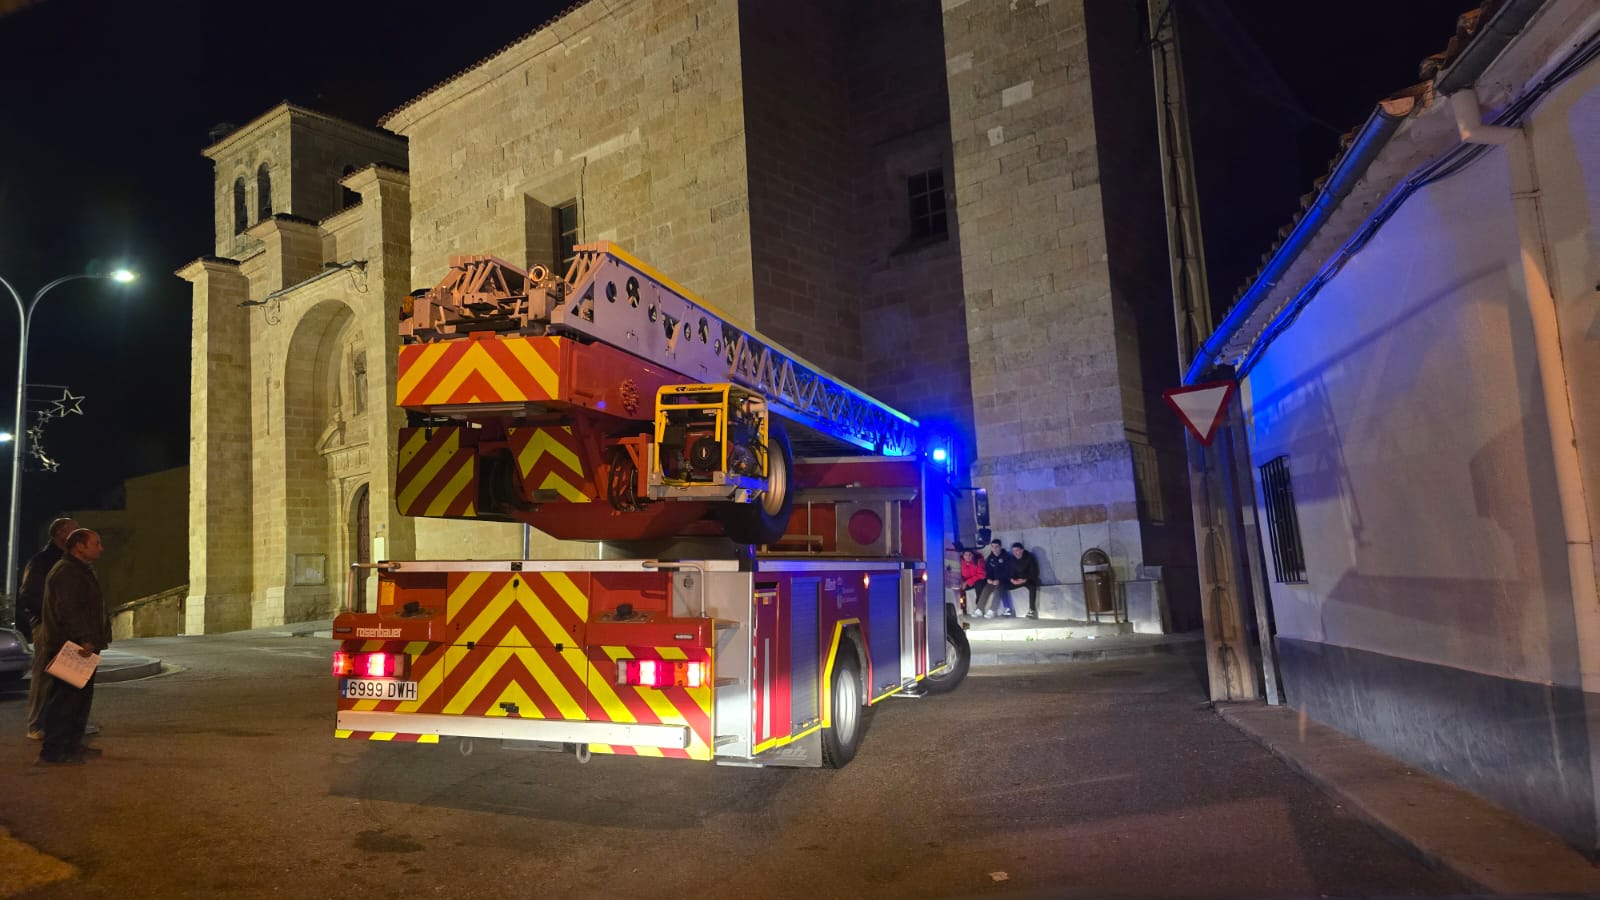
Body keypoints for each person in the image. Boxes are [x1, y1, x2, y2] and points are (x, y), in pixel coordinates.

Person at [35, 528, 109, 766]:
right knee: (65, 699)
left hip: (79, 644)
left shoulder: (79, 570)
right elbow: (68, 609)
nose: (101, 548)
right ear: (79, 547)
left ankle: (71, 745)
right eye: (96, 544)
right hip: (71, 645)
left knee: (78, 698)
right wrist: (84, 637)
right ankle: (54, 750)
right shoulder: (67, 572)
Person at [20, 516, 78, 741]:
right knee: (45, 675)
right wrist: (50, 619)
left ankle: (65, 723)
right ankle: (36, 724)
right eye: (74, 530)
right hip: (48, 626)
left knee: (70, 675)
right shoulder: (43, 561)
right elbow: (30, 595)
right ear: (62, 533)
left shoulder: (70, 560)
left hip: (69, 625)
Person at [979, 539, 1015, 618]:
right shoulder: (990, 558)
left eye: (996, 547)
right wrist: (989, 579)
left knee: (999, 589)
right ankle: (979, 609)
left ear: (1000, 547)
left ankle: (992, 610)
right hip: (994, 581)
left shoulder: (1006, 557)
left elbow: (1008, 571)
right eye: (993, 547)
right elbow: (988, 570)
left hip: (1004, 580)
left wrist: (999, 580)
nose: (994, 549)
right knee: (986, 588)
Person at [1009, 542, 1042, 619]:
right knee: (1003, 586)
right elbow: (1010, 572)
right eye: (1013, 551)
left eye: (1017, 550)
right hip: (1017, 580)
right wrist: (1012, 579)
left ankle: (1032, 609)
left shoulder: (1029, 558)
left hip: (1028, 579)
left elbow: (1034, 572)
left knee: (1032, 586)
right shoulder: (1012, 560)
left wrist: (1024, 580)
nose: (1015, 553)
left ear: (1022, 550)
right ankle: (1007, 609)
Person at [958, 548, 984, 617]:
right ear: (963, 556)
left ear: (973, 555)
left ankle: (979, 608)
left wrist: (967, 582)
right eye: (966, 555)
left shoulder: (978, 560)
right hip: (965, 581)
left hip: (976, 580)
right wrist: (962, 582)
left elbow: (981, 575)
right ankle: (963, 609)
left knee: (979, 585)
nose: (968, 557)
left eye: (970, 555)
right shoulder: (960, 562)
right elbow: (959, 573)